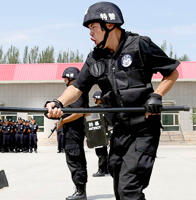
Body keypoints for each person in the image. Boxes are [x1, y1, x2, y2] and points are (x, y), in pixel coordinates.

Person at [45, 2, 179, 200]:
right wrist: (58, 103)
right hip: (120, 130)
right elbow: (77, 87)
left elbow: (171, 73)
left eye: (93, 27)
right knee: (117, 179)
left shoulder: (140, 45)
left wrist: (156, 96)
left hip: (144, 129)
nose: (90, 33)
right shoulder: (95, 58)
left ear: (109, 25)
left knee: (129, 188)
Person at [54, 67, 89, 200]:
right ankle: (80, 190)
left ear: (71, 78)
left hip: (74, 132)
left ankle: (81, 192)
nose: (64, 81)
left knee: (76, 161)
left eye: (65, 78)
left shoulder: (77, 92)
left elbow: (79, 113)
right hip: (72, 132)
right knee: (75, 160)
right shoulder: (77, 92)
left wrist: (63, 122)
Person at [89, 91, 109, 177]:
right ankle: (107, 169)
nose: (94, 100)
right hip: (105, 133)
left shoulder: (97, 109)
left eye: (95, 98)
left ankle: (101, 170)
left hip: (99, 133)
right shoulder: (107, 108)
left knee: (101, 153)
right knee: (105, 152)